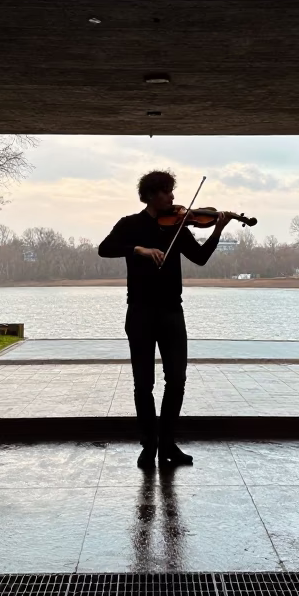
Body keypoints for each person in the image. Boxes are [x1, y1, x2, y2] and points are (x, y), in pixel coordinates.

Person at [98, 170, 230, 469]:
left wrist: (217, 231)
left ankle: (168, 444)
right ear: (151, 195)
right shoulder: (129, 224)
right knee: (143, 383)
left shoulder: (179, 225)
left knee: (177, 380)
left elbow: (200, 258)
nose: (173, 197)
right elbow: (104, 249)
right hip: (140, 312)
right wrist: (139, 250)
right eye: (167, 191)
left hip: (172, 311)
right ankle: (149, 445)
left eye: (172, 191)